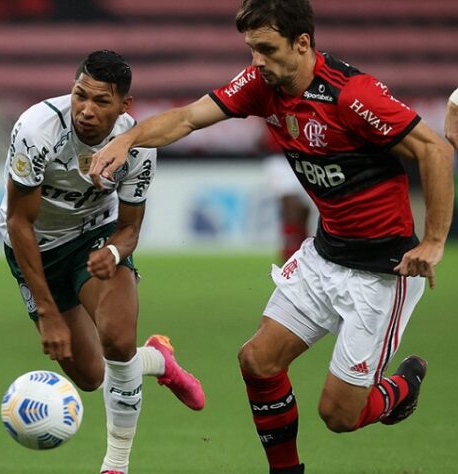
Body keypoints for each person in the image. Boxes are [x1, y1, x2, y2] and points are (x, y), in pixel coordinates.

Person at [88, 1, 455, 471]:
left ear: (301, 44)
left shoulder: (351, 96)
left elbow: (434, 150)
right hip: (325, 256)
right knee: (257, 361)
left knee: (339, 415)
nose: (256, 60)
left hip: (382, 274)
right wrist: (126, 140)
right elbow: (186, 119)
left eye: (266, 48)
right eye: (251, 49)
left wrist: (434, 241)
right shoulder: (261, 86)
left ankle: (400, 389)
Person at [0, 50, 205, 474]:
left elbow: (130, 227)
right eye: (80, 96)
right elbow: (20, 222)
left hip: (95, 236)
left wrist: (112, 252)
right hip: (35, 246)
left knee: (116, 339)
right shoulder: (36, 129)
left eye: (100, 101)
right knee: (92, 376)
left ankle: (115, 465)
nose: (86, 110)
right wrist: (50, 313)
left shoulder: (137, 144)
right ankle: (157, 360)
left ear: (124, 106)